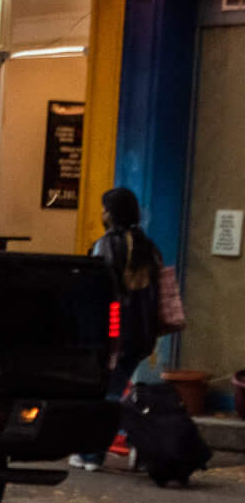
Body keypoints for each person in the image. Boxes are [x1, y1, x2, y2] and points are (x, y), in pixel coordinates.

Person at [75, 186, 164, 471]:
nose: (102, 214)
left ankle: (92, 454)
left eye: (104, 209)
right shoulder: (148, 247)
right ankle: (137, 444)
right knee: (117, 388)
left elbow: (98, 289)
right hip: (143, 334)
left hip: (114, 334)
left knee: (107, 394)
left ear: (111, 214)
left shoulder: (107, 245)